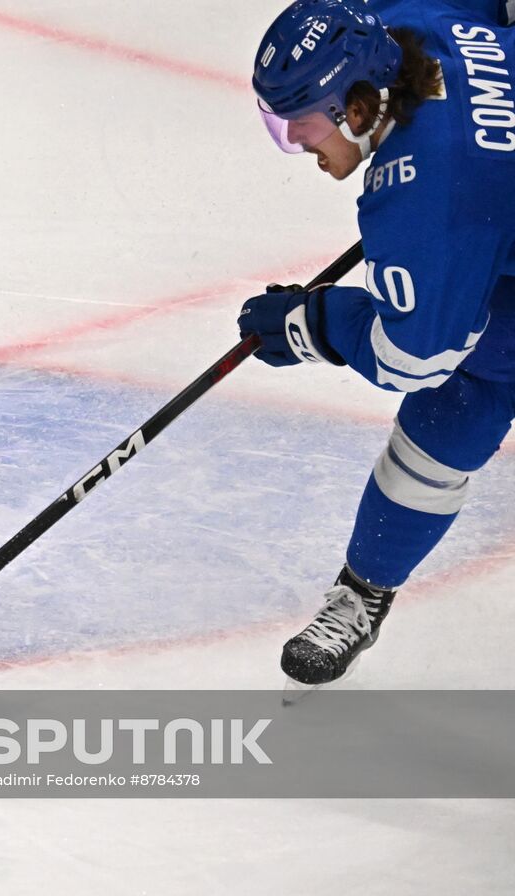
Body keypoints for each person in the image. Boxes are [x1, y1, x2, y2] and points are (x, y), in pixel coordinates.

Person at [238, 0, 515, 686]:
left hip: (480, 216)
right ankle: (366, 589)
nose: (296, 142)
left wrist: (310, 325)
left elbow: (414, 356)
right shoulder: (409, 20)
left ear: (359, 110)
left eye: (300, 123)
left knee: (462, 387)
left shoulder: (428, 195)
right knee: (458, 404)